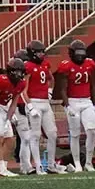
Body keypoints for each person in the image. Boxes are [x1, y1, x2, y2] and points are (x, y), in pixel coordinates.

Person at [56, 40, 95, 171]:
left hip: (87, 101)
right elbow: (62, 88)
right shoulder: (66, 66)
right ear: (71, 53)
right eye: (77, 53)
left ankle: (89, 162)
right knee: (74, 134)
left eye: (82, 52)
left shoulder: (90, 64)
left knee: (91, 130)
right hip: (73, 101)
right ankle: (77, 162)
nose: (80, 56)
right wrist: (67, 105)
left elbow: (92, 85)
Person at [20, 43, 58, 173]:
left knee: (52, 134)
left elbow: (51, 79)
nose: (42, 54)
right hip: (34, 102)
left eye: (43, 51)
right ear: (32, 53)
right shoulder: (28, 66)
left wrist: (50, 91)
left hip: (45, 103)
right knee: (35, 135)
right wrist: (30, 107)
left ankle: (51, 164)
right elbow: (23, 90)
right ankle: (38, 165)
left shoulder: (45, 64)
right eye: (39, 52)